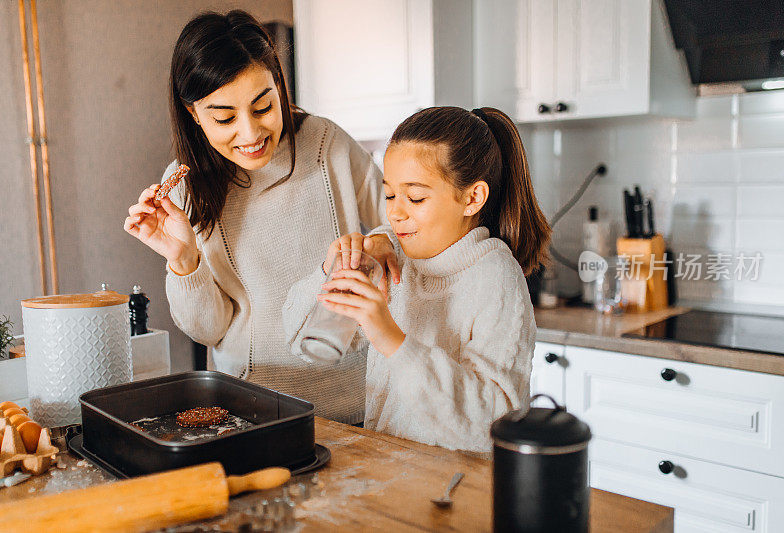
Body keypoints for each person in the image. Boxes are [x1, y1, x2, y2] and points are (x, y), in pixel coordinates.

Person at [123, 10, 398, 425]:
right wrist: (184, 260)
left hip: (361, 397)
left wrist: (382, 240)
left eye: (263, 106)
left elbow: (403, 226)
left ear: (278, 84)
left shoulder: (327, 145)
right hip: (252, 407)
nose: (250, 134)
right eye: (225, 118)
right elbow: (209, 331)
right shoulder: (182, 186)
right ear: (193, 113)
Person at [283, 106, 552, 451]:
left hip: (456, 489)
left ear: (472, 198)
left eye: (415, 197)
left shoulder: (496, 278)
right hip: (389, 472)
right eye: (391, 194)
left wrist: (391, 339)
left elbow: (492, 424)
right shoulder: (392, 255)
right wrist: (331, 270)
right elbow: (298, 340)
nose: (395, 212)